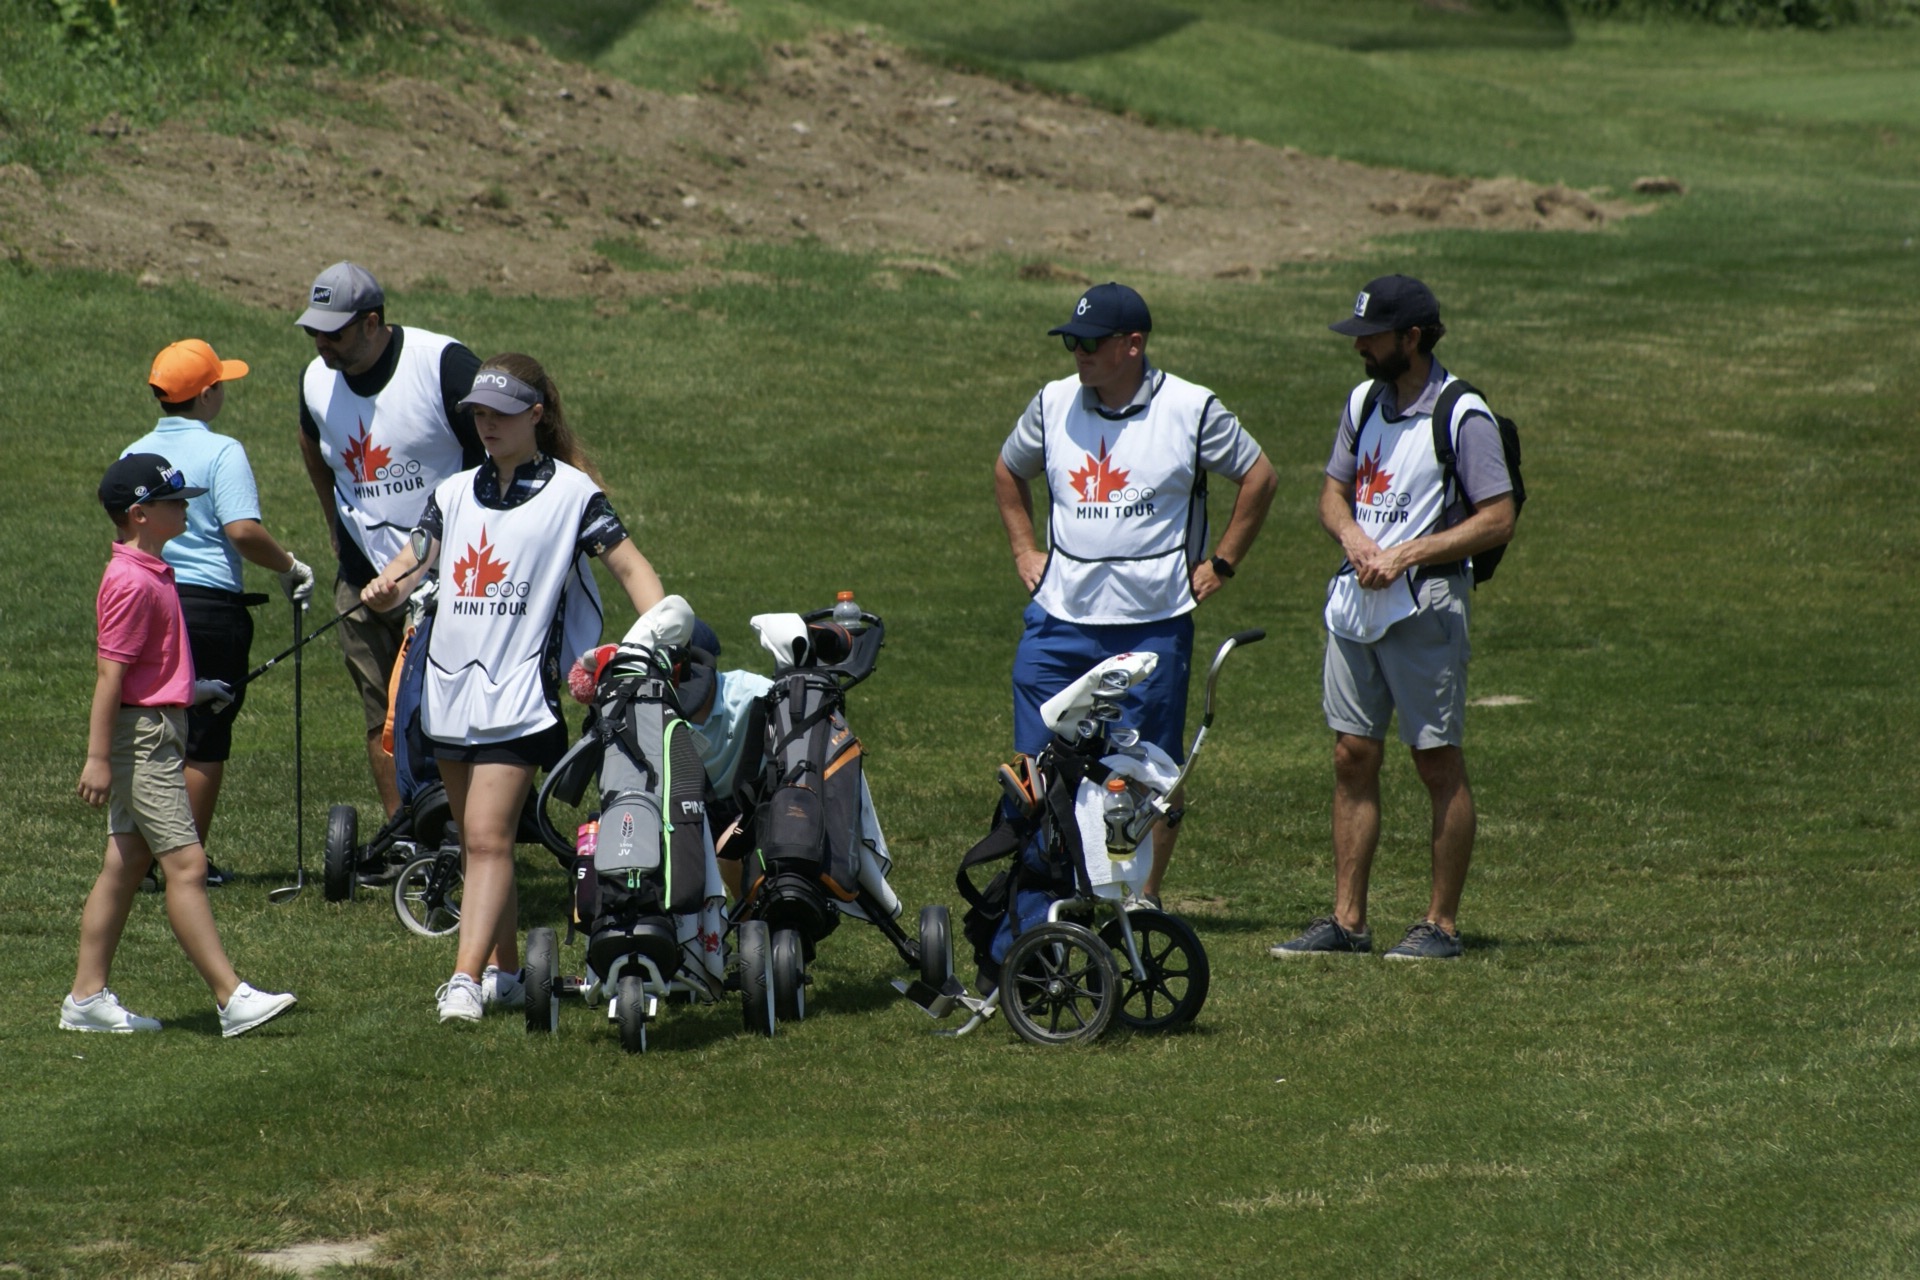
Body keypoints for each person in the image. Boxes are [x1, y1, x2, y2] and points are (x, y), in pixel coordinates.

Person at [361, 354, 665, 1023]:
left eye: (500, 413)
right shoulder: (452, 491)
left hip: (520, 695)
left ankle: (463, 981)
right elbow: (415, 561)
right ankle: (504, 974)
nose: (486, 424)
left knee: (487, 839)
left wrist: (657, 639)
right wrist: (388, 587)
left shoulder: (574, 495)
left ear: (536, 415)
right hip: (448, 696)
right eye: (477, 413)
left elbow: (631, 567)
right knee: (477, 842)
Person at [993, 282, 1277, 905]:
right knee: (1035, 762)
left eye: (1090, 342)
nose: (1078, 352)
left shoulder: (1191, 408)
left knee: (1148, 768)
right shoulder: (1051, 403)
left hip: (1154, 621)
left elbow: (1259, 476)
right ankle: (1043, 896)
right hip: (1058, 619)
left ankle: (1139, 901)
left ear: (1132, 345)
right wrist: (1023, 551)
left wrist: (1222, 562)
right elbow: (1009, 468)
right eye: (1071, 341)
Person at [1271, 275, 1516, 962]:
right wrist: (1353, 538)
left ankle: (1441, 926)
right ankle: (1348, 921)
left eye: (1372, 336)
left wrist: (1407, 553)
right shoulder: (1363, 402)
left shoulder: (1464, 415)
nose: (1360, 347)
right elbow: (1332, 495)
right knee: (1352, 754)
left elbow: (1498, 518)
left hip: (1427, 605)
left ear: (1412, 337)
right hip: (1358, 602)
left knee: (1436, 761)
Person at [63, 454, 297, 1037]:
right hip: (144, 740)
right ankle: (230, 997)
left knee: (125, 865)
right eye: (173, 501)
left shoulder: (153, 571)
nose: (185, 507)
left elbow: (148, 668)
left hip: (160, 726)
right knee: (187, 865)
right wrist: (98, 758)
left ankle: (85, 997)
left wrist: (192, 689)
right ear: (140, 514)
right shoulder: (131, 581)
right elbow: (110, 676)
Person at [296, 262, 484, 820]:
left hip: (446, 579)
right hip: (361, 581)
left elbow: (501, 447)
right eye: (314, 331)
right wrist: (333, 522)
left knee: (447, 717)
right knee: (380, 717)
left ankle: (467, 833)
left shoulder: (442, 365)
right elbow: (311, 442)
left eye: (334, 333)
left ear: (373, 323)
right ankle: (405, 832)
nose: (322, 344)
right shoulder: (315, 380)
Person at [123, 339, 315, 888]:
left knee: (152, 728)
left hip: (147, 599)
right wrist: (289, 566)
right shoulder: (223, 450)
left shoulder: (134, 453)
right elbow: (242, 530)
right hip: (208, 608)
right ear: (207, 394)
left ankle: (139, 860)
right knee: (204, 736)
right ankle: (185, 865)